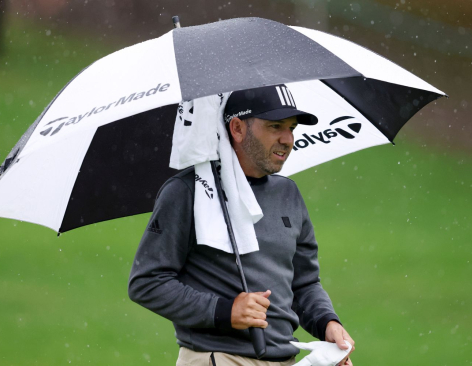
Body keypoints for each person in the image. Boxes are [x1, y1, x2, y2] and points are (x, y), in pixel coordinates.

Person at [128, 85, 355, 366]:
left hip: (286, 358)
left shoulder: (288, 194)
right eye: (275, 126)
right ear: (237, 128)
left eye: (292, 128)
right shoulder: (186, 191)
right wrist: (225, 311)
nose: (288, 139)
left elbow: (304, 282)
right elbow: (147, 282)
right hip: (218, 358)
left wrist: (327, 323)